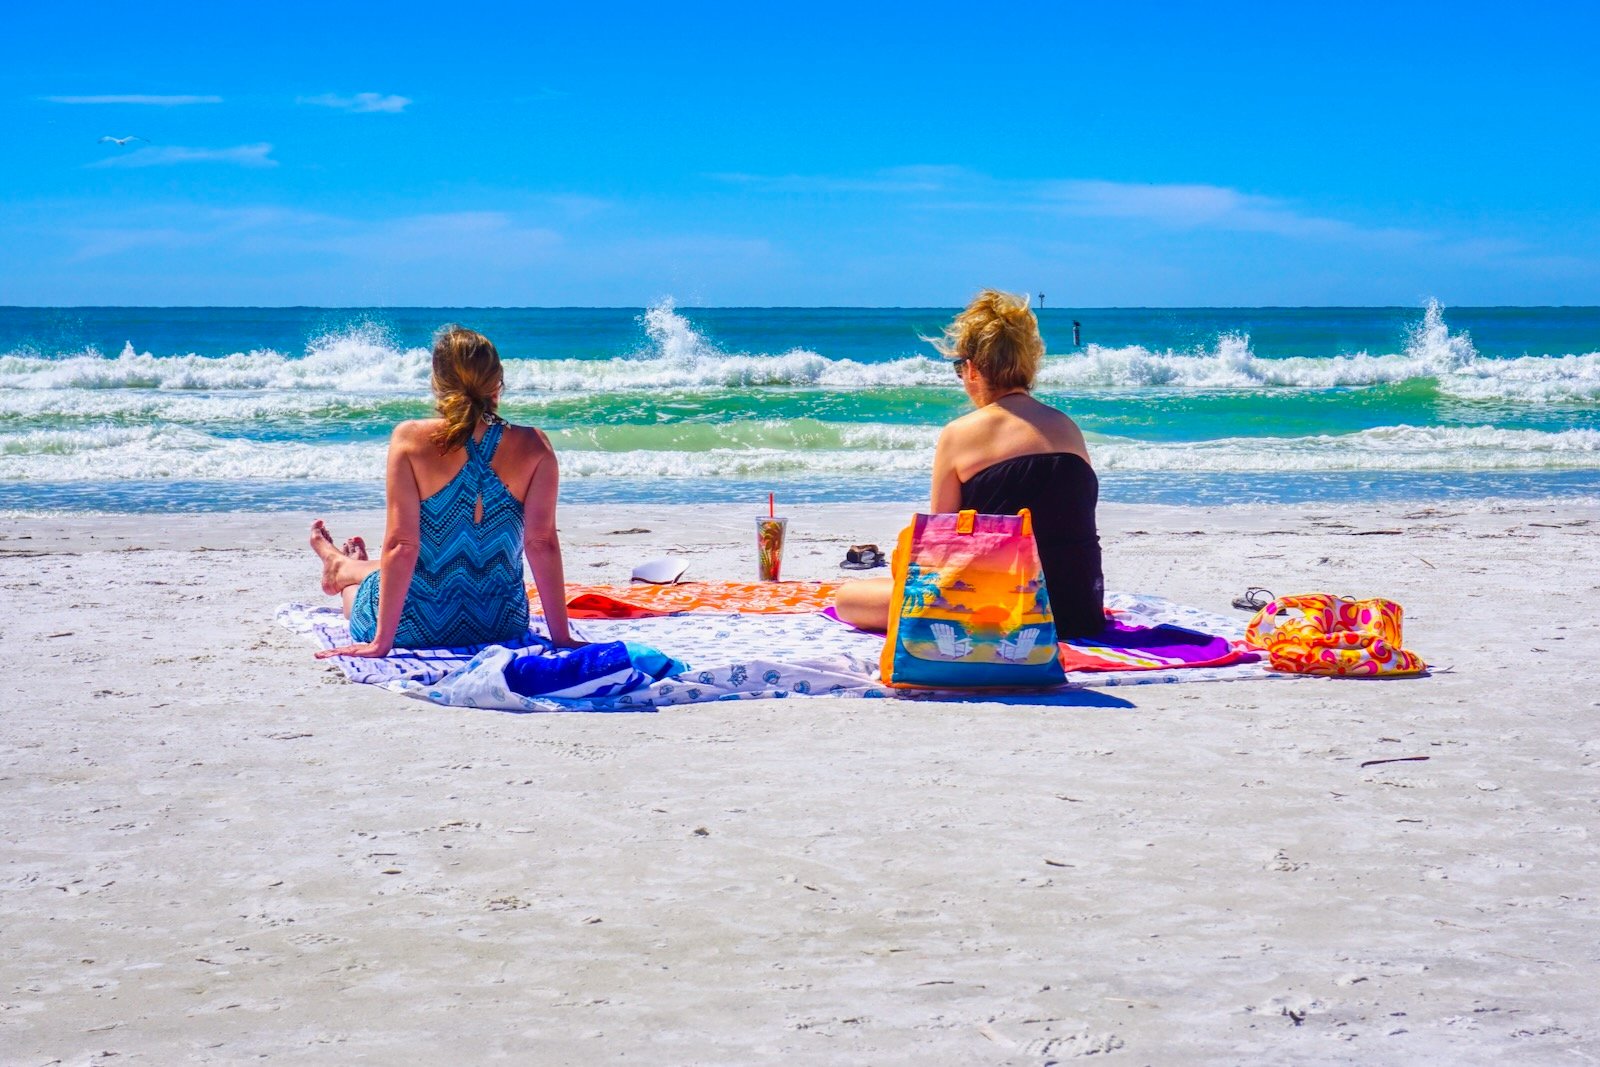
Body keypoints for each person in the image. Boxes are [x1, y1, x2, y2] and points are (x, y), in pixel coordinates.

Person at [834, 289, 1105, 636]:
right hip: (1078, 609)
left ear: (972, 369)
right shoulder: (1067, 427)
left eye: (958, 369)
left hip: (1000, 613)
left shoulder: (959, 434)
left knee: (849, 597)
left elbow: (939, 548)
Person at [308, 326, 580, 658]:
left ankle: (340, 570)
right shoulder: (535, 445)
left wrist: (381, 643)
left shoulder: (409, 439)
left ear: (437, 382)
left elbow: (402, 546)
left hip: (415, 624)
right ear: (497, 382)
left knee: (362, 595)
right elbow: (542, 544)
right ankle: (341, 564)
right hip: (502, 621)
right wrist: (562, 638)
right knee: (426, 565)